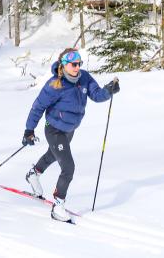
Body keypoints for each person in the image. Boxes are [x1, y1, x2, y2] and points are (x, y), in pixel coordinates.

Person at [22, 47, 120, 222]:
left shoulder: (84, 77)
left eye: (79, 64)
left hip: (69, 130)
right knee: (68, 167)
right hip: (54, 129)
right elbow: (38, 107)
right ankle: (58, 206)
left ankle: (34, 174)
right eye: (73, 64)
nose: (77, 67)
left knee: (52, 155)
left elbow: (96, 95)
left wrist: (108, 90)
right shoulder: (55, 84)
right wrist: (29, 130)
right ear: (64, 65)